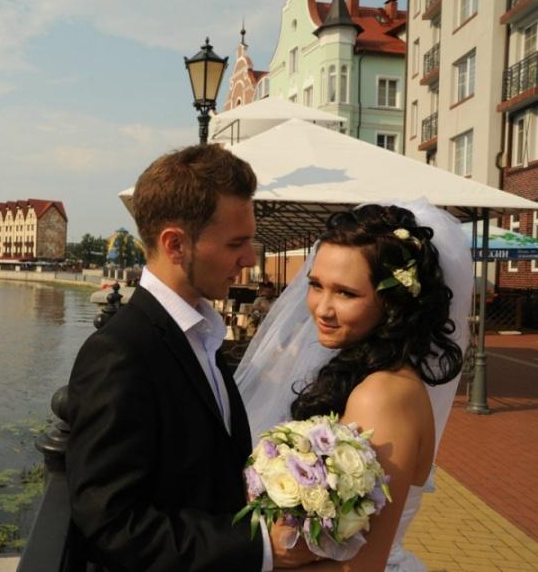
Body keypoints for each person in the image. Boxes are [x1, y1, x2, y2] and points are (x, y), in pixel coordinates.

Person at [66, 144, 316, 571]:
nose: (249, 258)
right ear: (176, 244)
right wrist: (260, 547)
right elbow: (111, 523)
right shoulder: (120, 353)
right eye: (236, 243)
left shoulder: (201, 335)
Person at [235, 199, 473, 571]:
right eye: (316, 285)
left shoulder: (383, 396)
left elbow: (361, 564)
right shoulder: (374, 377)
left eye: (346, 293)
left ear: (392, 302)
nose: (322, 308)